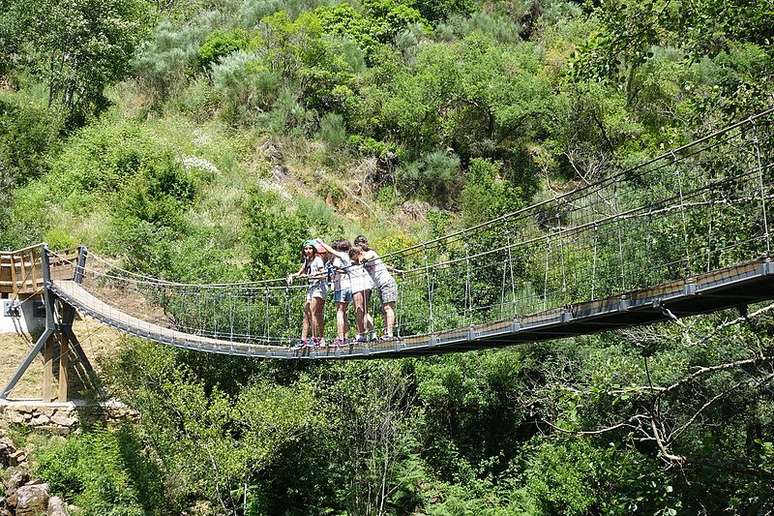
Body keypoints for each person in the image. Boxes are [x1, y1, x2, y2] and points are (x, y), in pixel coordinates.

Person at [354, 235, 400, 340]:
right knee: (384, 309)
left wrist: (357, 260)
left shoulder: (370, 253)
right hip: (381, 285)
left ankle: (389, 333)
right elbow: (382, 265)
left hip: (386, 282)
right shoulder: (364, 257)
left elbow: (367, 258)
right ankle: (388, 331)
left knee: (387, 308)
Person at [287, 240, 327, 349]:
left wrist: (310, 276)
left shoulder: (318, 260)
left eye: (310, 248)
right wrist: (292, 276)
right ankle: (303, 340)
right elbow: (300, 273)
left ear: (313, 250)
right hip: (311, 288)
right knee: (307, 313)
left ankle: (315, 339)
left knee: (313, 312)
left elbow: (323, 275)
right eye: (306, 249)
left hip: (319, 288)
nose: (308, 251)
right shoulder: (307, 260)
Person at [318, 239, 352, 347]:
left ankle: (340, 339)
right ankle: (345, 337)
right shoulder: (351, 257)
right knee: (345, 312)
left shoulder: (340, 257)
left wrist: (321, 243)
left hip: (341, 286)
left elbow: (336, 269)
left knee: (340, 312)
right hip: (350, 286)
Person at [348, 244, 374, 343]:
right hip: (367, 286)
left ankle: (362, 334)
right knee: (365, 311)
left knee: (359, 309)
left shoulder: (361, 261)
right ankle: (372, 333)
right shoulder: (362, 261)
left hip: (358, 287)